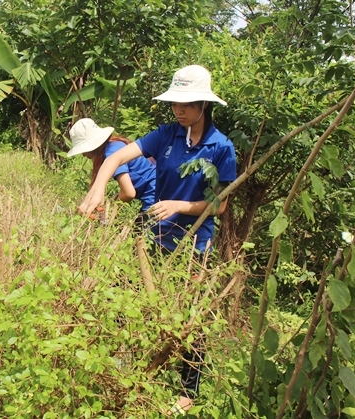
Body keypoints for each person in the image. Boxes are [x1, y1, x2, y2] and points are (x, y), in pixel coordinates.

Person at [78, 65, 237, 415]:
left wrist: (181, 205)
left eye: (186, 104)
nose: (178, 110)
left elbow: (220, 204)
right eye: (174, 103)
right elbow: (117, 155)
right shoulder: (166, 134)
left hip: (196, 245)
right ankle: (138, 370)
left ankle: (187, 391)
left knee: (192, 316)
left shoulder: (221, 147)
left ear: (203, 104)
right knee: (140, 302)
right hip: (157, 238)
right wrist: (98, 186)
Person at [68, 118, 156, 232]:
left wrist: (110, 204)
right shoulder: (116, 144)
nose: (83, 155)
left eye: (83, 150)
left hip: (155, 195)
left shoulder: (112, 154)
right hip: (158, 190)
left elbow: (129, 193)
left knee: (144, 241)